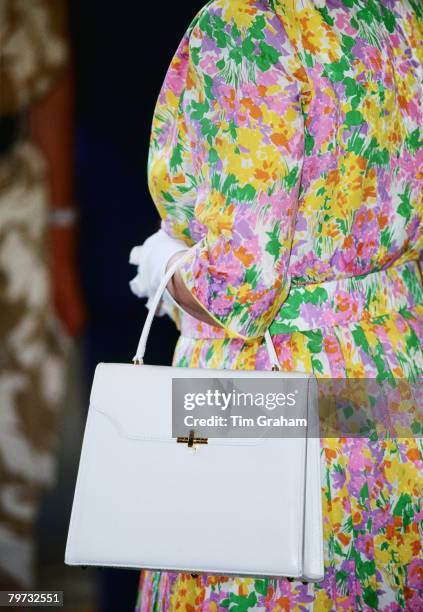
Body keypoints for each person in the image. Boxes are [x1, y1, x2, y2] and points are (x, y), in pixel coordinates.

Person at [130, 0, 422, 609]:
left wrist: (164, 267)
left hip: (268, 389)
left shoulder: (248, 20)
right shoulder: (398, 12)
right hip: (397, 370)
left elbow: (237, 288)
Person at [0, 0, 85, 589]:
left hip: (13, 203)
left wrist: (61, 246)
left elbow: (52, 79)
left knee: (17, 439)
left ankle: (17, 588)